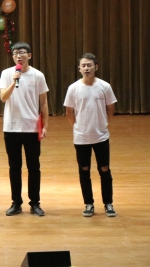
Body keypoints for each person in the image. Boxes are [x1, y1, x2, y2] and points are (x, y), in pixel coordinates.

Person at [0, 42, 49, 216]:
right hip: (11, 127)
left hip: (31, 127)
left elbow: (44, 102)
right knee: (14, 167)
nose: (18, 56)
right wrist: (14, 82)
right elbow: (3, 97)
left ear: (29, 55)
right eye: (15, 53)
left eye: (22, 52)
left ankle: (35, 203)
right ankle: (16, 202)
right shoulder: (7, 74)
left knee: (34, 166)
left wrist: (45, 125)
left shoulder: (38, 75)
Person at [64, 53, 117, 217]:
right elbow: (69, 112)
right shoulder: (73, 88)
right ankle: (89, 204)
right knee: (84, 170)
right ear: (79, 69)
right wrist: (78, 127)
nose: (86, 68)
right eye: (83, 65)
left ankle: (108, 203)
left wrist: (103, 123)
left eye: (89, 65)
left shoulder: (104, 86)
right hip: (81, 138)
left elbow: (111, 108)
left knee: (104, 169)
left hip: (101, 136)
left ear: (96, 67)